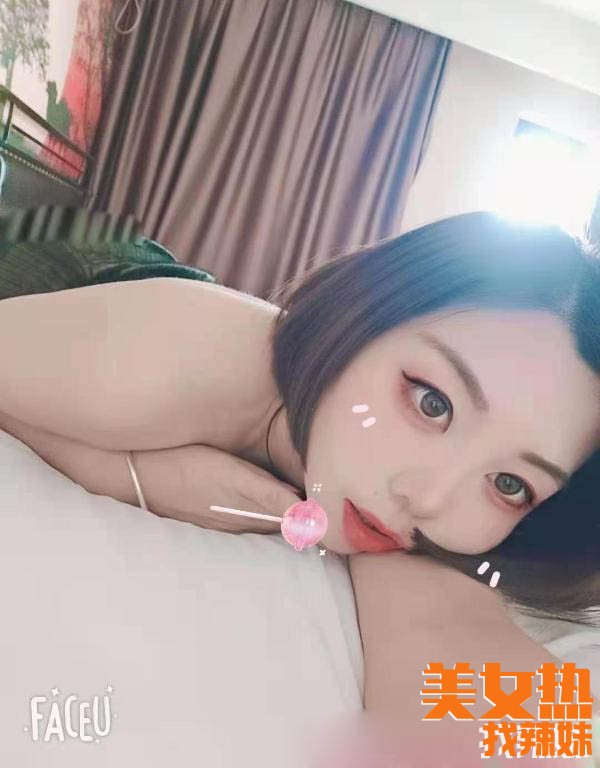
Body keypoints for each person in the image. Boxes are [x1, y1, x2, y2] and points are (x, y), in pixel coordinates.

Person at [0, 209, 599, 766]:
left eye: (509, 483)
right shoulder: (147, 366)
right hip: (76, 270)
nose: (429, 499)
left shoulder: (427, 522)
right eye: (432, 403)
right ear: (367, 312)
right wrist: (140, 477)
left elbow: (471, 682)